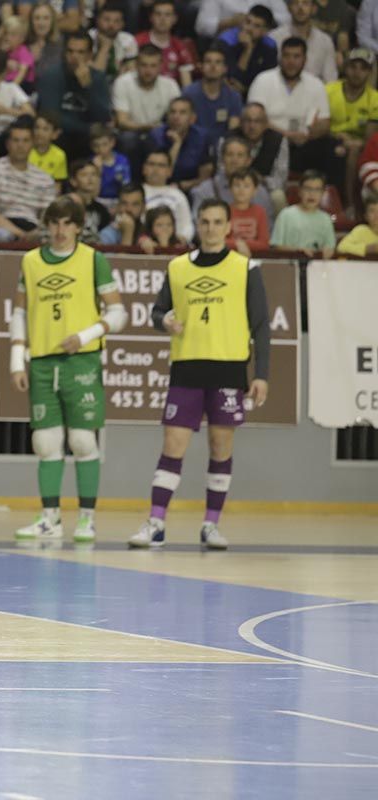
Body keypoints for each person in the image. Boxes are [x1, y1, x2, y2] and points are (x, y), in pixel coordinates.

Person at [130, 199, 270, 551]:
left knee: (220, 446)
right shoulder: (178, 267)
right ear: (197, 225)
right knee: (173, 445)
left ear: (228, 227)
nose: (210, 228)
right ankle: (156, 522)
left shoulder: (245, 268)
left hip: (228, 367)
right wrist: (165, 321)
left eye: (217, 222)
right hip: (187, 367)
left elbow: (261, 325)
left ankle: (211, 525)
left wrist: (261, 374)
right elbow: (156, 311)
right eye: (204, 221)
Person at [10, 196, 125, 543]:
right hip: (43, 361)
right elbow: (19, 313)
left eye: (67, 223)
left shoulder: (94, 260)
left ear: (78, 226)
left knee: (82, 439)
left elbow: (118, 313)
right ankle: (49, 519)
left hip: (82, 360)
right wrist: (17, 361)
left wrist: (85, 335)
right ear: (47, 226)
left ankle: (87, 518)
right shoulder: (30, 261)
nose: (60, 230)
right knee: (45, 442)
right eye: (54, 223)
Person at [247, 37, 334, 176]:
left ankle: (318, 189)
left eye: (296, 56)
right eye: (286, 56)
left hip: (304, 142)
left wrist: (308, 135)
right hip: (270, 140)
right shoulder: (263, 80)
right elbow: (254, 118)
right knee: (269, 138)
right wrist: (286, 135)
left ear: (304, 59)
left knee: (332, 147)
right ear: (280, 58)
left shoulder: (316, 84)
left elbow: (325, 123)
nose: (291, 61)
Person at [0, 116, 56, 241]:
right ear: (8, 144)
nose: (20, 145)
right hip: (2, 227)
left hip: (34, 229)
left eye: (25, 141)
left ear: (33, 144)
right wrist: (22, 236)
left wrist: (34, 235)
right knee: (3, 235)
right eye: (16, 140)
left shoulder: (45, 179)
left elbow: (48, 220)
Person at [35, 33, 112, 157]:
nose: (74, 56)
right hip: (61, 135)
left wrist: (88, 87)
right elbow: (51, 117)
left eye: (80, 52)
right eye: (70, 51)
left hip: (88, 139)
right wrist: (86, 128)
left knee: (102, 141)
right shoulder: (51, 76)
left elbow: (103, 117)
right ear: (64, 53)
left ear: (89, 55)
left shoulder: (98, 78)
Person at [112, 43, 181, 174]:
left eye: (153, 66)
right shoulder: (123, 82)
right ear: (136, 65)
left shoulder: (170, 85)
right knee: (129, 140)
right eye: (144, 65)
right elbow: (122, 122)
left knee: (161, 136)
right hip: (131, 132)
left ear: (161, 66)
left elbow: (177, 115)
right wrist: (147, 126)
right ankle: (132, 181)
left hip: (159, 131)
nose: (148, 71)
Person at [326, 50, 378, 217]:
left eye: (363, 68)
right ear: (345, 68)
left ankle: (350, 205)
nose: (357, 72)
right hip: (329, 139)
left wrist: (355, 143)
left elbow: (370, 137)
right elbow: (320, 125)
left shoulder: (375, 98)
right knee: (338, 150)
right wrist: (338, 137)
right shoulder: (329, 90)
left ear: (369, 72)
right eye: (353, 66)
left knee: (354, 150)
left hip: (359, 145)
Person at [189, 134, 275, 225]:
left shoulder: (260, 192)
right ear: (222, 159)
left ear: (248, 161)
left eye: (240, 155)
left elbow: (268, 227)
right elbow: (197, 224)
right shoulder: (205, 190)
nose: (234, 160)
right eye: (230, 155)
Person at [182, 45, 243, 154]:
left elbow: (233, 131)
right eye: (208, 62)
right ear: (201, 66)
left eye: (218, 62)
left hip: (222, 150)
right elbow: (183, 127)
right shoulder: (189, 94)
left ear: (225, 68)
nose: (213, 66)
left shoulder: (234, 97)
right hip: (192, 148)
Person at [147, 96, 213, 191]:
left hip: (192, 188)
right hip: (160, 187)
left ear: (192, 118)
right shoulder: (156, 136)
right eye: (173, 112)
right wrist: (176, 145)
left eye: (182, 113)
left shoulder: (202, 137)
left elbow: (205, 178)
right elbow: (160, 175)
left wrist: (183, 186)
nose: (176, 117)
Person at [269, 170, 335, 256]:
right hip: (290, 263)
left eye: (317, 190)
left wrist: (328, 251)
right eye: (308, 189)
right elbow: (276, 246)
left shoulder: (325, 218)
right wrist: (298, 251)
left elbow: (330, 247)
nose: (312, 194)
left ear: (323, 193)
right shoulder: (286, 214)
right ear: (300, 191)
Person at [135, 0, 196, 87]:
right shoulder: (137, 42)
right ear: (151, 18)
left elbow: (187, 85)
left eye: (167, 15)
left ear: (174, 19)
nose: (162, 19)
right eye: (158, 14)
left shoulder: (180, 47)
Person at [141, 149, 194, 242]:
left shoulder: (178, 195)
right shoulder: (137, 193)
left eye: (161, 165)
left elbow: (187, 225)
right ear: (144, 169)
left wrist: (182, 240)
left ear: (169, 171)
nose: (155, 169)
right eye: (151, 164)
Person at [226, 169, 270, 255]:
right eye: (237, 185)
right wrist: (237, 244)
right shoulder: (224, 211)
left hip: (255, 257)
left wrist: (242, 244)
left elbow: (264, 244)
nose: (241, 190)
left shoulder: (260, 211)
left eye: (246, 186)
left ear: (255, 190)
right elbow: (219, 241)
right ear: (230, 189)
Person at [70, 159, 113, 243]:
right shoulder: (65, 206)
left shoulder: (101, 210)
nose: (90, 179)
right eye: (84, 175)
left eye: (94, 174)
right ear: (73, 181)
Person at [28, 111, 67, 190]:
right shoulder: (25, 150)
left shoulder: (59, 155)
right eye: (37, 128)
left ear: (55, 134)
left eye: (45, 129)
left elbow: (57, 185)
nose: (39, 132)